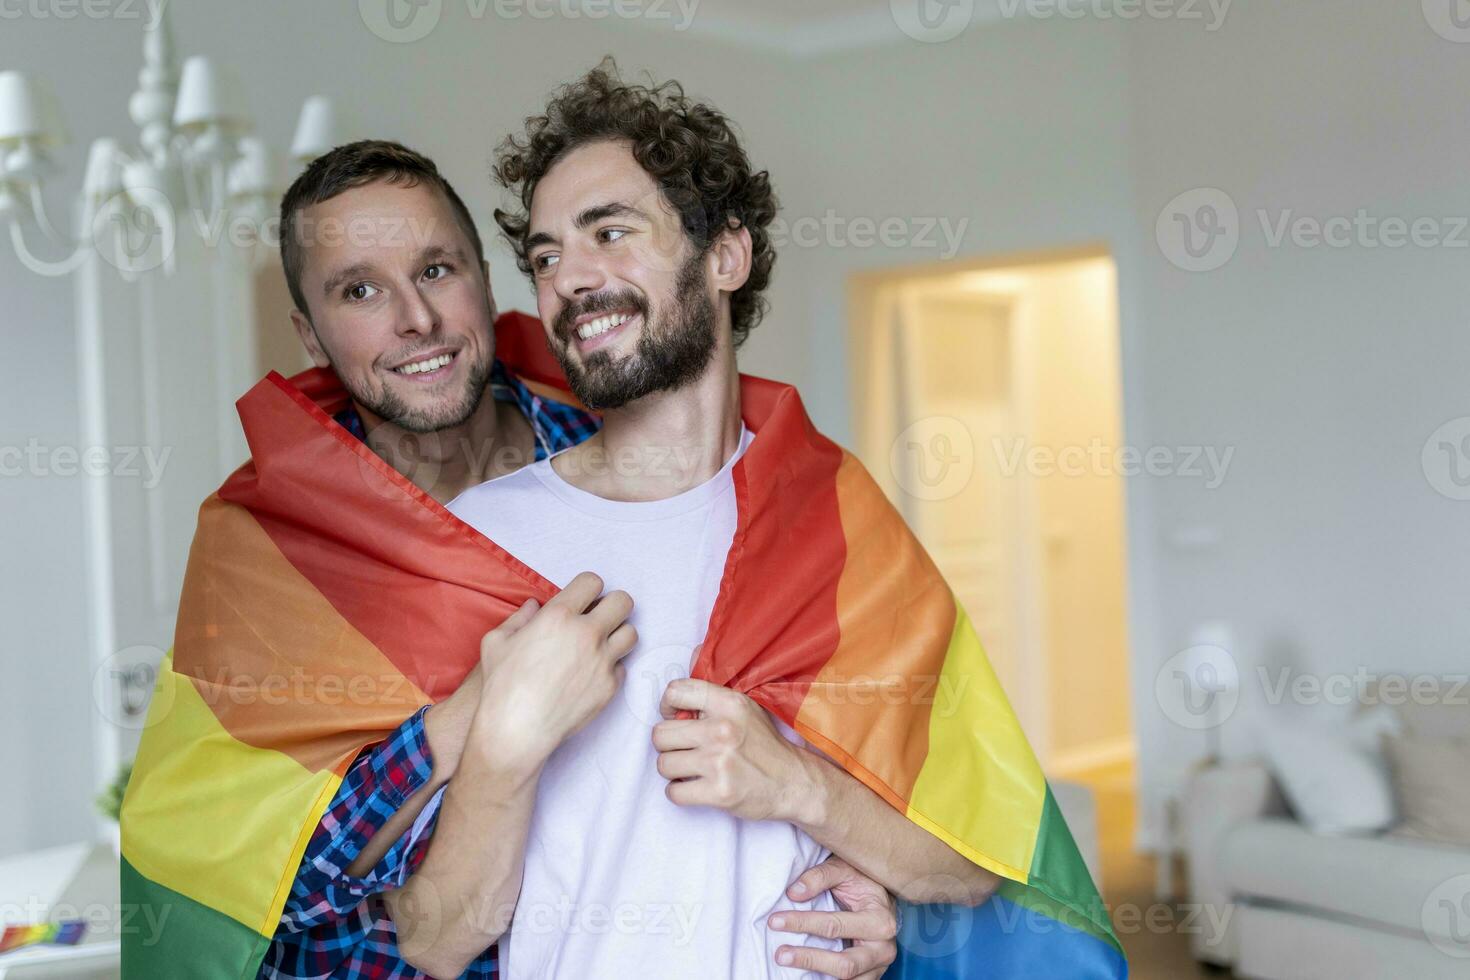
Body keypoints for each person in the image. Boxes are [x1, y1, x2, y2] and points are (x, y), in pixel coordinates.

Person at [400, 63, 1001, 979]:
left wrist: (796, 785)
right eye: (549, 256)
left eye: (610, 232)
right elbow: (435, 939)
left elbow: (967, 865)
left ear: (726, 255)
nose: (570, 281)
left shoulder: (835, 517)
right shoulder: (481, 539)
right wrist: (507, 742)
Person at [257, 139, 904, 979]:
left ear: (489, 285)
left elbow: (816, 762)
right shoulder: (276, 553)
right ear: (310, 335)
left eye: (438, 270)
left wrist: (849, 886)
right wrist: (484, 713)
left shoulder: (637, 468)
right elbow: (279, 877)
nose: (414, 320)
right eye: (360, 290)